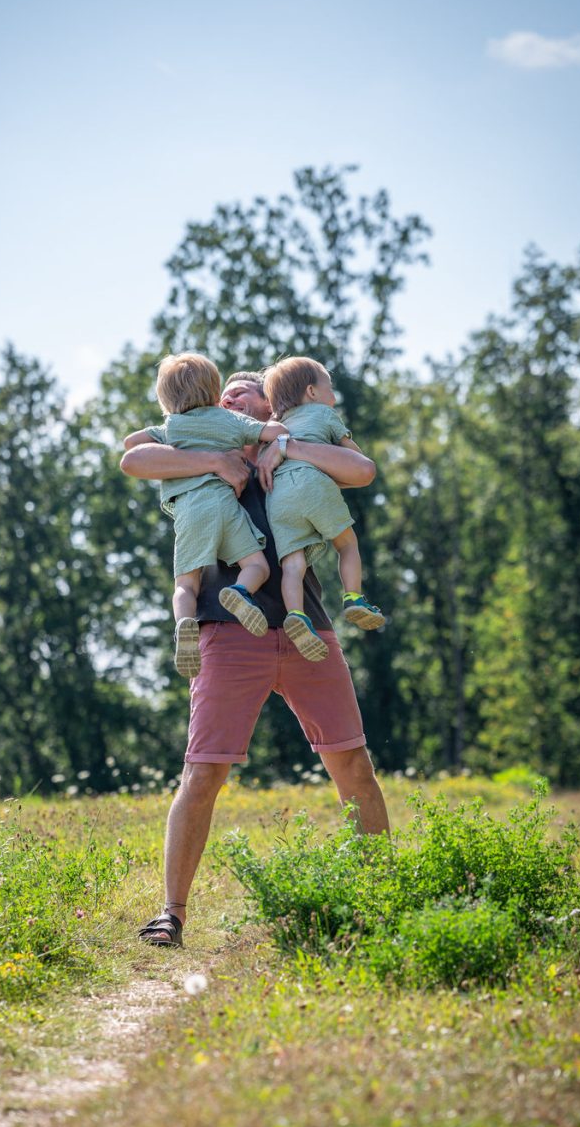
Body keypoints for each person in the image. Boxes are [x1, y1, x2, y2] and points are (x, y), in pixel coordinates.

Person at [120, 370, 391, 948]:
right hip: (226, 632)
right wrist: (217, 465)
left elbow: (362, 471)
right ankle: (171, 913)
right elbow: (135, 460)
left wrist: (286, 444)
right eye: (226, 393)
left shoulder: (294, 453)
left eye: (244, 391)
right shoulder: (200, 450)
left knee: (353, 764)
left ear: (270, 406)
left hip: (306, 630)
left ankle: (383, 897)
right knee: (204, 771)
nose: (230, 397)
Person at [122, 353, 288, 678]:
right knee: (256, 566)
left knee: (185, 585)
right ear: (215, 395)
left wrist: (171, 425)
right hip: (226, 507)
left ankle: (184, 625)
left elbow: (131, 443)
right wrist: (281, 436)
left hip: (190, 513)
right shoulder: (230, 422)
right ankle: (240, 593)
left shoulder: (173, 426)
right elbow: (275, 430)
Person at [261, 356, 385, 664]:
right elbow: (356, 461)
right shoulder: (323, 413)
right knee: (347, 544)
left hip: (277, 497)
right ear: (312, 393)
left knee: (293, 563)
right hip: (312, 483)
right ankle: (354, 597)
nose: (333, 395)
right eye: (329, 388)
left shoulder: (273, 430)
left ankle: (296, 615)